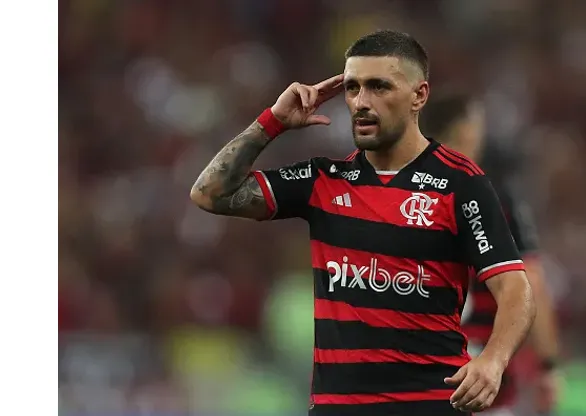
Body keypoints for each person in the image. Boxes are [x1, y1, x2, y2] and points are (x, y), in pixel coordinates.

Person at [190, 30, 536, 416]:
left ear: (419, 95)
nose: (361, 102)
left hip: (428, 404)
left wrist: (493, 360)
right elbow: (210, 193)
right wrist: (272, 121)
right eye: (352, 88)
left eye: (379, 87)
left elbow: (516, 289)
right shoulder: (323, 180)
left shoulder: (460, 183)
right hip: (338, 407)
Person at [420, 91, 561, 416]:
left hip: (415, 380)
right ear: (466, 131)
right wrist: (548, 365)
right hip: (481, 380)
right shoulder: (497, 199)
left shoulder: (394, 193)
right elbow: (532, 283)